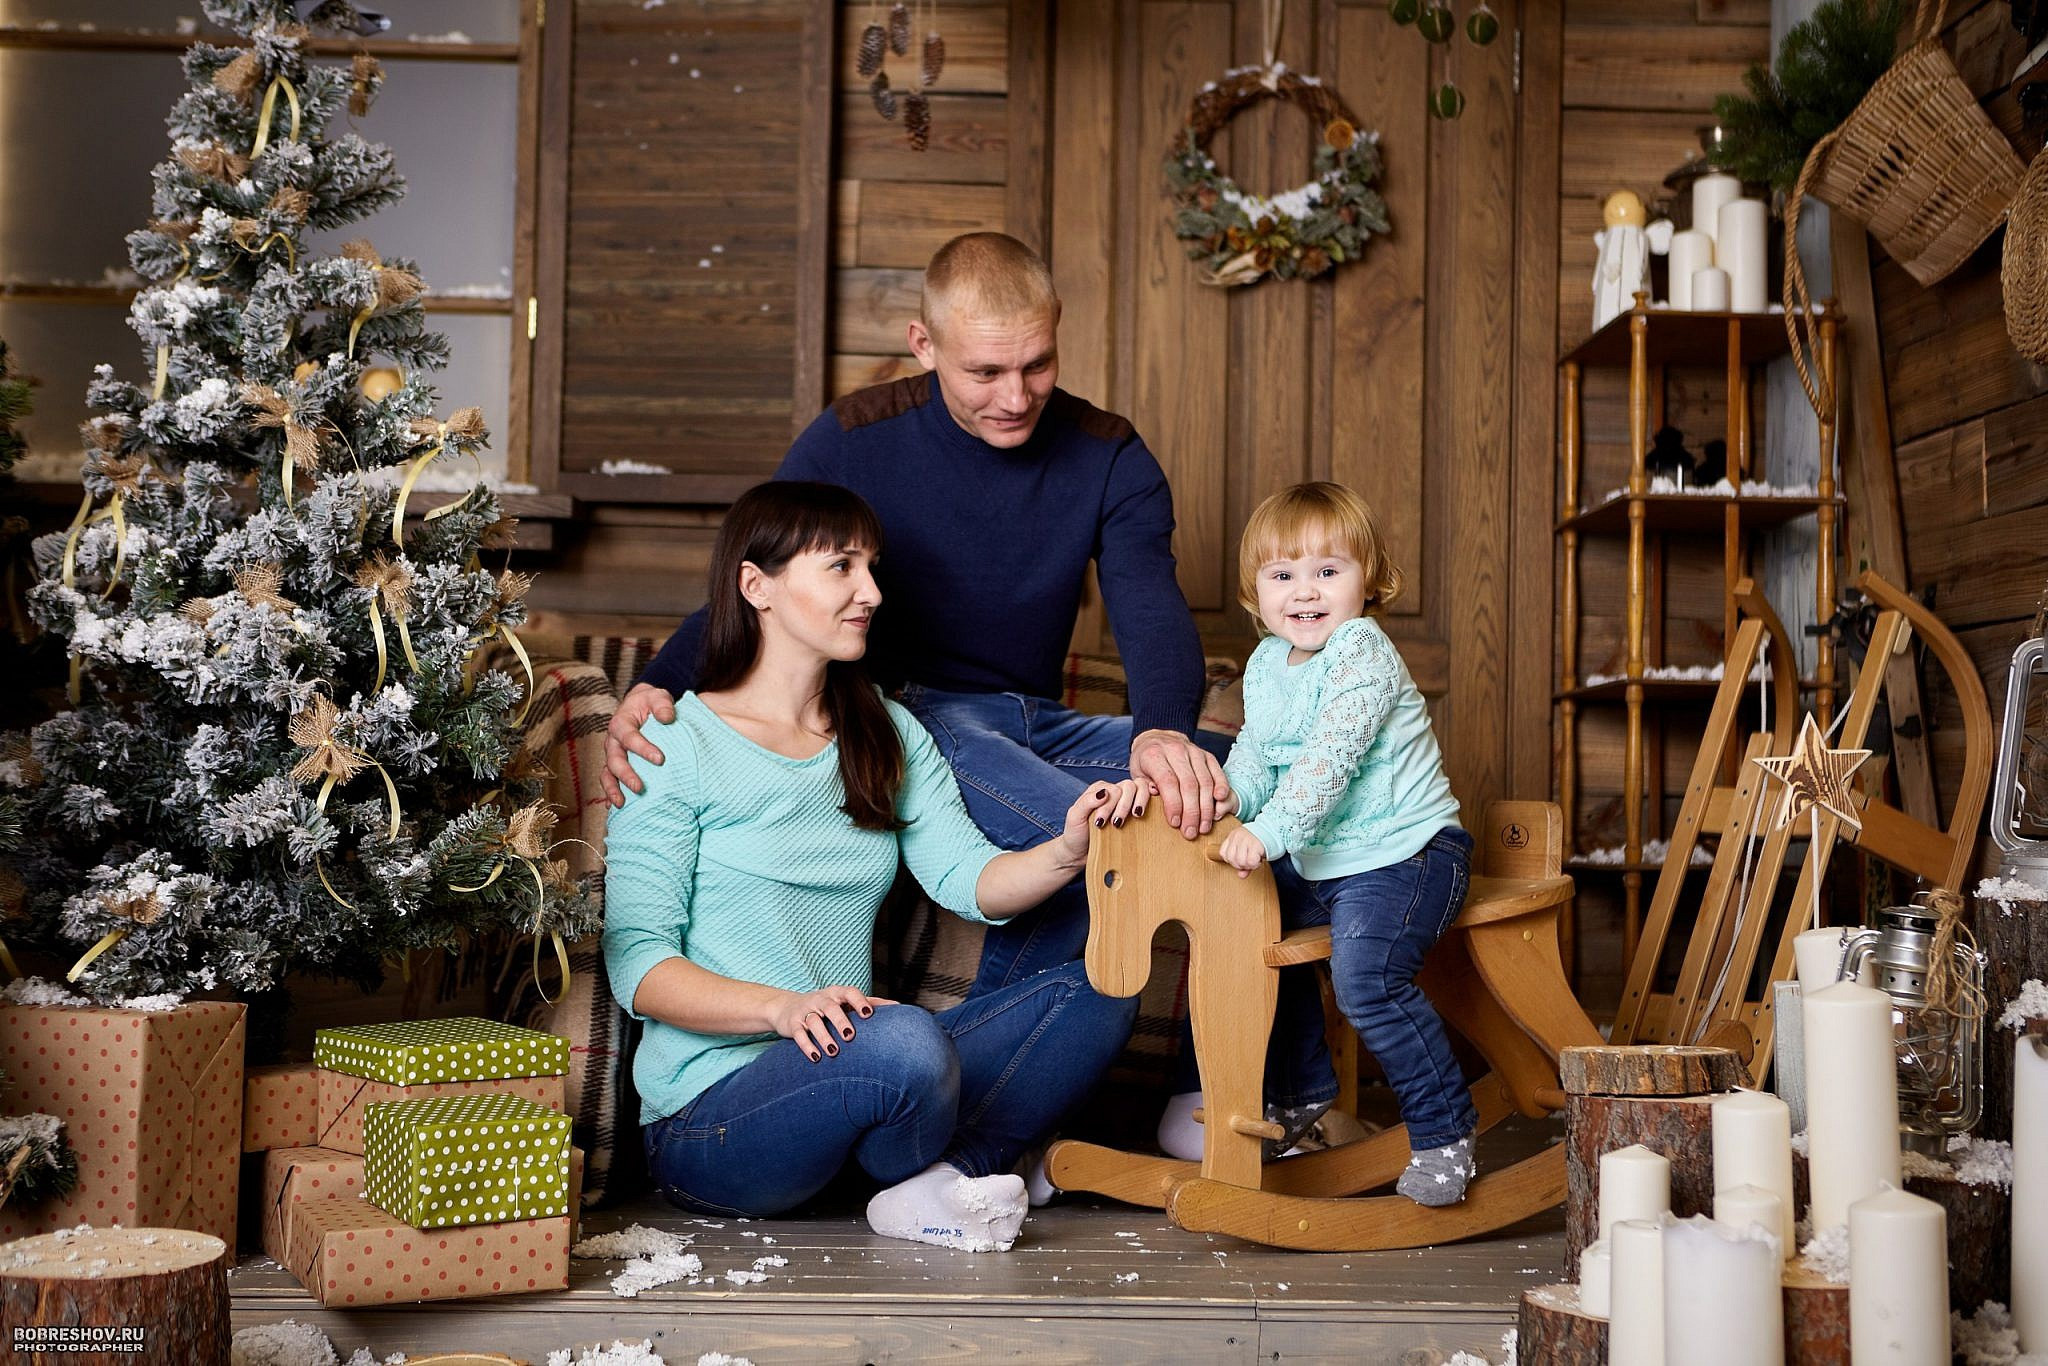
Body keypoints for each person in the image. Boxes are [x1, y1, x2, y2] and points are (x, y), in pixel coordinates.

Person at [604, 232, 1231, 999]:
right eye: (985, 372)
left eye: (1038, 364)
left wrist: (1162, 730)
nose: (1016, 396)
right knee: (1107, 844)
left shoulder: (1108, 452)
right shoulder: (852, 439)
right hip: (921, 717)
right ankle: (984, 1081)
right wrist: (659, 683)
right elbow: (762, 574)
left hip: (1041, 717)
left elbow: (1150, 604)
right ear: (923, 345)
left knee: (1251, 792)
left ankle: (1271, 1097)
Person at [602, 482, 1146, 1252]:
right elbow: (639, 965)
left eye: (873, 567)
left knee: (1107, 985)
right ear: (756, 585)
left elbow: (971, 880)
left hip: (860, 1076)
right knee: (902, 1042)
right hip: (712, 1123)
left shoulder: (884, 732)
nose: (872, 592)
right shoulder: (673, 746)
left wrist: (1066, 848)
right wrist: (782, 1012)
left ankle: (927, 1184)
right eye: (842, 568)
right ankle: (950, 1166)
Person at [1211, 481, 1477, 1207]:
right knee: (1248, 922)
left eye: (1328, 571)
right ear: (1255, 591)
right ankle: (1301, 1092)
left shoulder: (1362, 651)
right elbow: (1259, 757)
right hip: (1327, 861)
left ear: (1370, 582)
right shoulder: (1267, 663)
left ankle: (1444, 1133)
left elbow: (1329, 759)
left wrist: (1266, 835)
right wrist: (1227, 806)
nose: (1306, 591)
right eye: (1283, 574)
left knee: (1368, 982)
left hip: (1410, 855)